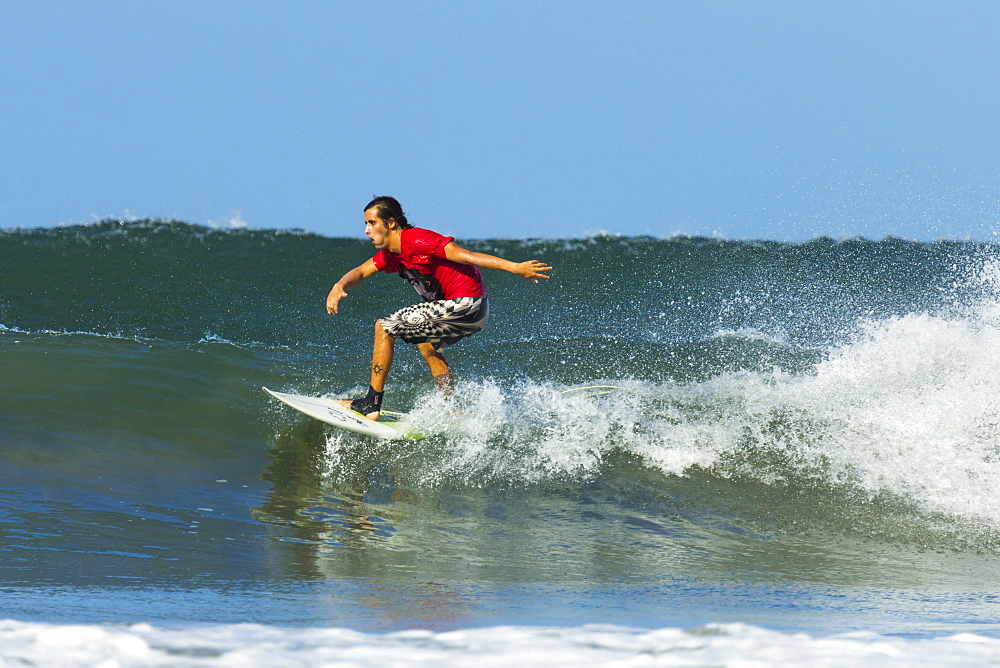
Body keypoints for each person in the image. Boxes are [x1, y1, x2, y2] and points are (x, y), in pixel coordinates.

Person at [326, 196, 552, 420]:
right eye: (366, 224)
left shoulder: (418, 240)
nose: (367, 230)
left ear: (391, 223)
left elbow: (468, 256)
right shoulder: (391, 254)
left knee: (384, 326)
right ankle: (453, 409)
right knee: (427, 346)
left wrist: (515, 267)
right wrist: (339, 286)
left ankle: (370, 403)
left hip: (465, 304)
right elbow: (361, 271)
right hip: (477, 311)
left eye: (372, 223)